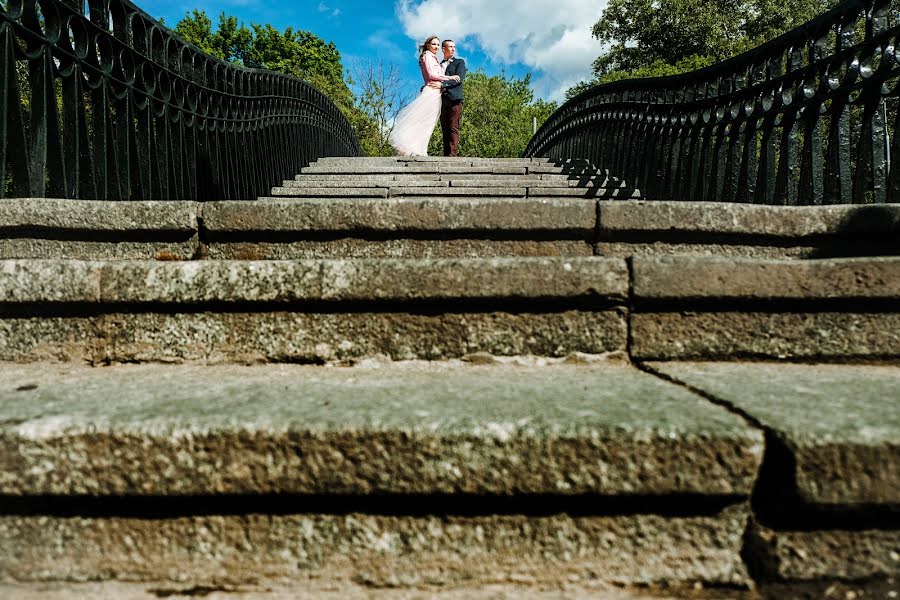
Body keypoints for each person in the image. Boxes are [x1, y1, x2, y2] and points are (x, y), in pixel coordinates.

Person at [389, 36, 460, 156]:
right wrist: (449, 77)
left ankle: (420, 149)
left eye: (438, 44)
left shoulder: (432, 57)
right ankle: (413, 148)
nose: (436, 47)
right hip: (431, 92)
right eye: (434, 44)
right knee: (422, 121)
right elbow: (432, 74)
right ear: (428, 45)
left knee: (427, 123)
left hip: (435, 93)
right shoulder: (427, 55)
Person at [438, 39, 465, 156]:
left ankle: (452, 155)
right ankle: (445, 155)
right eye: (450, 47)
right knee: (444, 128)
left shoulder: (459, 62)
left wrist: (443, 85)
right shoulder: (438, 65)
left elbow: (459, 79)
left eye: (454, 47)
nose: (453, 49)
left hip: (455, 99)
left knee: (453, 127)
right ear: (443, 49)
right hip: (441, 101)